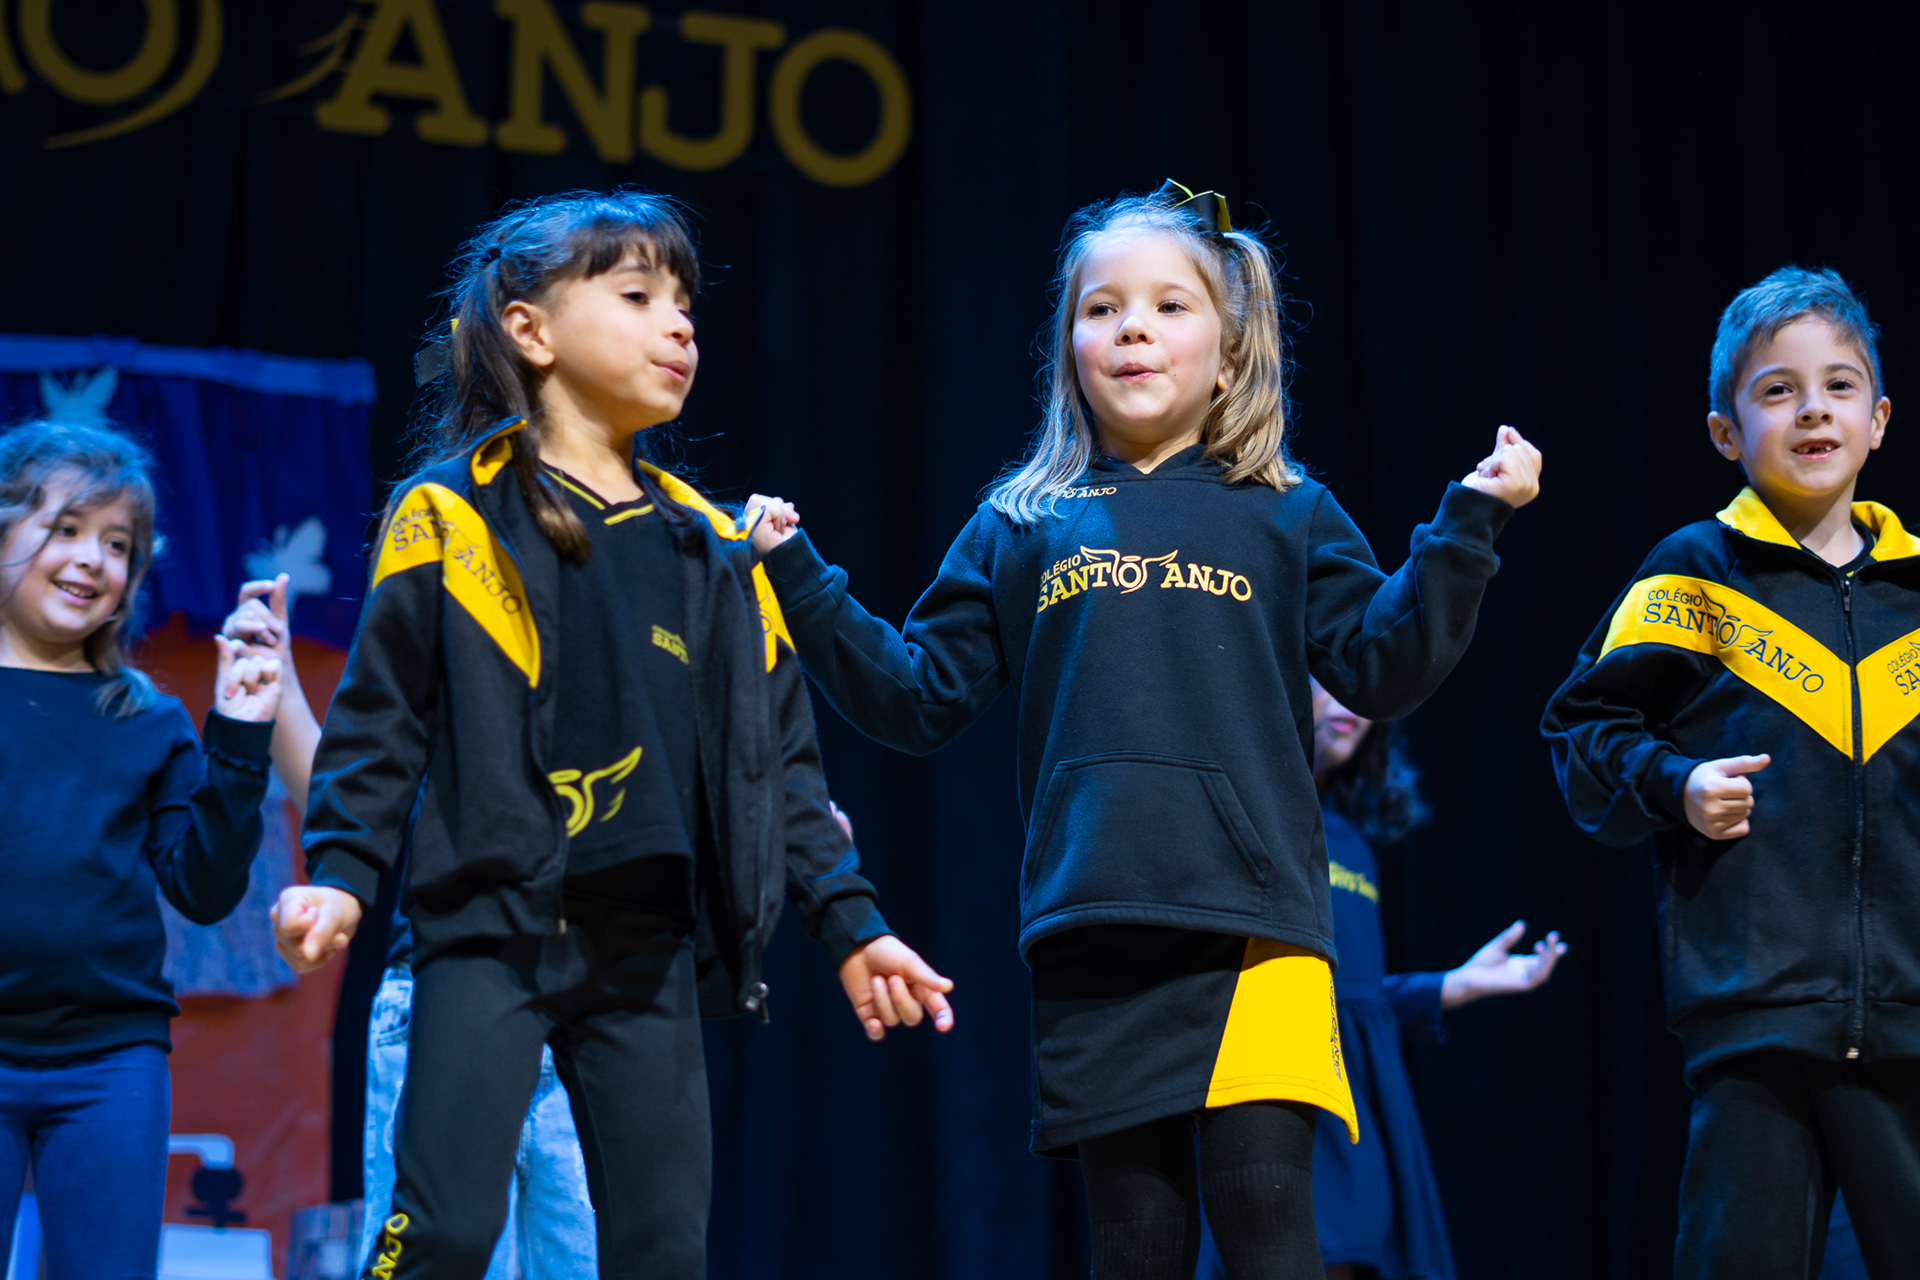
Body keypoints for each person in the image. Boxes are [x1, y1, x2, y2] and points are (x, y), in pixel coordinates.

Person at [745, 182, 1542, 1278]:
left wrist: (1469, 524)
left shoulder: (1289, 510)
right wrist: (800, 578)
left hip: (1257, 923)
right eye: (1103, 308)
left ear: (1229, 353)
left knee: (1267, 1216)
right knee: (1137, 1241)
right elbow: (917, 698)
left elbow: (1383, 664)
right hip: (1097, 929)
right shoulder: (1021, 522)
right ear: (1068, 349)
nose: (1132, 329)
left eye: (1170, 306)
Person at [269, 188, 954, 1280]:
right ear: (530, 330)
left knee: (662, 1249)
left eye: (685, 304)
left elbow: (777, 765)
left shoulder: (715, 549)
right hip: (489, 929)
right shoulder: (450, 513)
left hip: (646, 946)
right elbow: (380, 715)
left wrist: (854, 924)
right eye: (638, 296)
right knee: (443, 1230)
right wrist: (344, 875)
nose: (678, 324)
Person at [1542, 266, 1919, 1278]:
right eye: (1778, 389)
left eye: (1839, 385)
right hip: (1756, 1019)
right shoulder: (1695, 575)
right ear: (1725, 432)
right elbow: (1581, 727)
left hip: (1911, 1018)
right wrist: (1675, 783)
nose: (1813, 409)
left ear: (1879, 419)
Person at [225, 578, 596, 1279]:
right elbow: (357, 800)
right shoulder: (450, 607)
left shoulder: (629, 604)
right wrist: (280, 691)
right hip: (438, 996)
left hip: (597, 1009)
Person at [0, 420, 281, 1279]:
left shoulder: (149, 720)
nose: (92, 559)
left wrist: (240, 734)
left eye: (117, 544)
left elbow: (204, 887)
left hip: (110, 1061)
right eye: (66, 528)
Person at [1196, 679, 1565, 1280]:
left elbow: (1356, 998)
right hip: (1281, 1088)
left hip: (1362, 1102)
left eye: (1363, 689)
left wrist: (1455, 985)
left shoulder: (1354, 842)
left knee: (1353, 1255)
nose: (1351, 705)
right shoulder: (1248, 819)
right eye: (1330, 683)